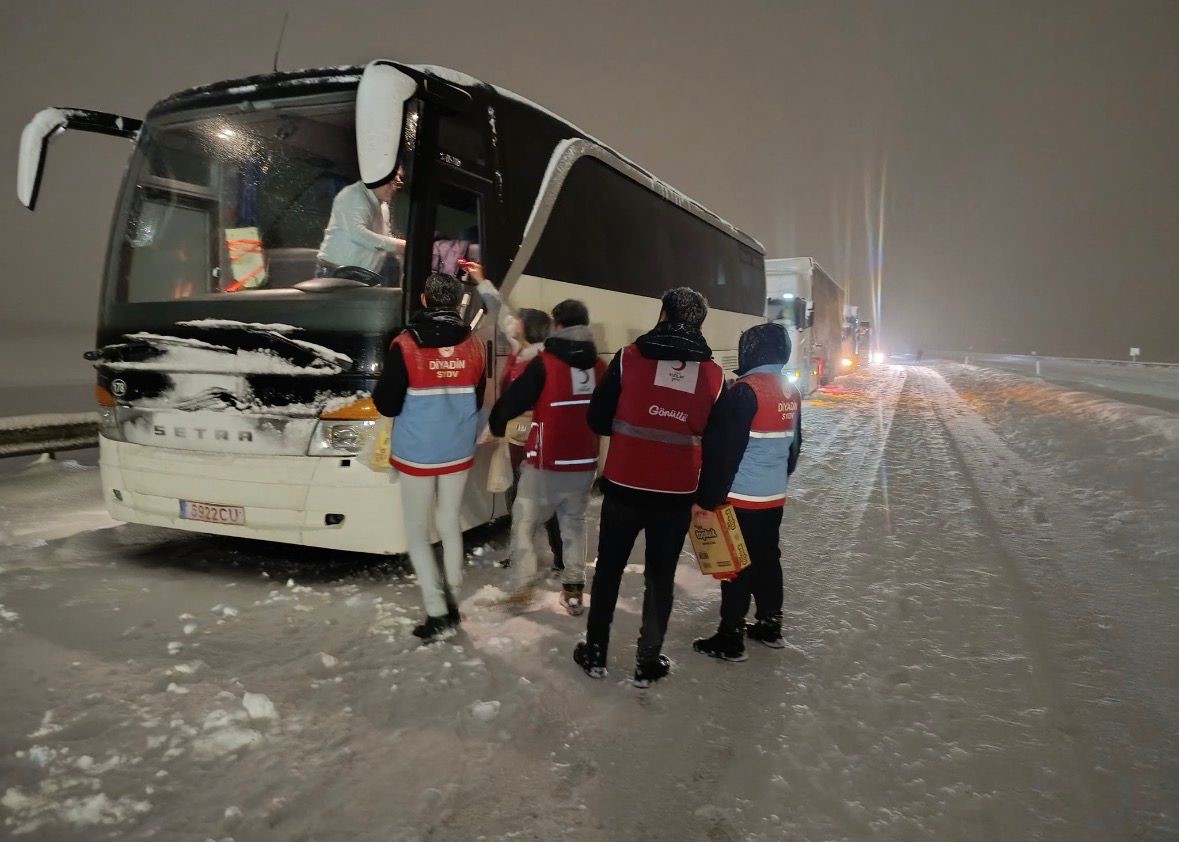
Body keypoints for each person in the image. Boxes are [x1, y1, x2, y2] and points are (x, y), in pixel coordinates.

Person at [575, 287, 731, 687]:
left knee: (609, 570)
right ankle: (647, 661)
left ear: (663, 314)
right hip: (676, 496)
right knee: (660, 578)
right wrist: (709, 499)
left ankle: (595, 653)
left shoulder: (628, 358)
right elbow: (718, 446)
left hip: (624, 487)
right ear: (699, 323)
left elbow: (597, 419)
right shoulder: (714, 376)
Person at [372, 272, 485, 643]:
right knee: (450, 521)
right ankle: (453, 594)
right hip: (457, 448)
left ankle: (438, 612)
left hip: (418, 452)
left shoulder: (404, 345)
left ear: (423, 300)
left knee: (418, 534)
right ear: (456, 303)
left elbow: (387, 402)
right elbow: (478, 397)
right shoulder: (475, 345)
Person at [691, 323, 802, 662]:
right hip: (773, 497)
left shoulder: (745, 391)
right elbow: (795, 446)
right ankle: (770, 624)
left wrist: (707, 500)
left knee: (735, 565)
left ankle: (730, 636)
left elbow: (725, 453)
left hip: (742, 497)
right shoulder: (790, 390)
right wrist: (778, 478)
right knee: (768, 559)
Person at [487, 299, 606, 614]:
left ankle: (523, 586)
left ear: (557, 325)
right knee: (574, 524)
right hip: (584, 461)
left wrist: (497, 425)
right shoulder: (599, 366)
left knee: (524, 522)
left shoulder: (546, 363)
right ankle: (574, 588)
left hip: (547, 461)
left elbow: (513, 402)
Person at [499, 307, 565, 572]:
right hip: (516, 436)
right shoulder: (519, 352)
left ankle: (561, 554)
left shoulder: (544, 359)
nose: (512, 323)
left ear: (528, 328)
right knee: (515, 495)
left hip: (537, 436)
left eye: (518, 321)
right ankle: (518, 552)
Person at [316, 170, 406, 281]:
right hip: (337, 274)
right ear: (377, 177)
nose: (394, 188)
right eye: (391, 182)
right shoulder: (354, 195)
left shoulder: (383, 206)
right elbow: (359, 234)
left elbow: (383, 238)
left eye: (397, 184)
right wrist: (399, 245)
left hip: (361, 276)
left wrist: (401, 248)